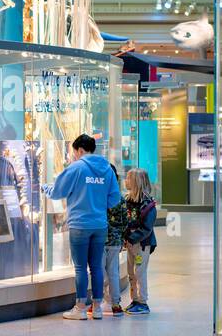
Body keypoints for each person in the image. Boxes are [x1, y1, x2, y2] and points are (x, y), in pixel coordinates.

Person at [47, 133, 121, 321]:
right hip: (100, 225)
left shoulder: (76, 168)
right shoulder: (107, 169)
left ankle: (80, 308)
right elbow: (114, 199)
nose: (73, 156)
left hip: (80, 224)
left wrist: (45, 189)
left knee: (80, 268)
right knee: (96, 266)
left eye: (74, 152)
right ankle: (97, 308)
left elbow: (57, 192)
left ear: (79, 150)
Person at [100, 162, 134, 317]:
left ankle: (97, 303)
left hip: (99, 240)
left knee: (98, 272)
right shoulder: (119, 198)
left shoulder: (97, 196)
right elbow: (125, 221)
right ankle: (116, 304)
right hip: (115, 242)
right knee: (113, 272)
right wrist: (121, 238)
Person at [122, 167, 157, 315]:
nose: (126, 181)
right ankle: (134, 299)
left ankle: (143, 302)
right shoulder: (127, 200)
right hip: (130, 244)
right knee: (131, 272)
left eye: (129, 178)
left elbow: (146, 228)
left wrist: (131, 238)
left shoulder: (148, 204)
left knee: (139, 272)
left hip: (142, 244)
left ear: (136, 181)